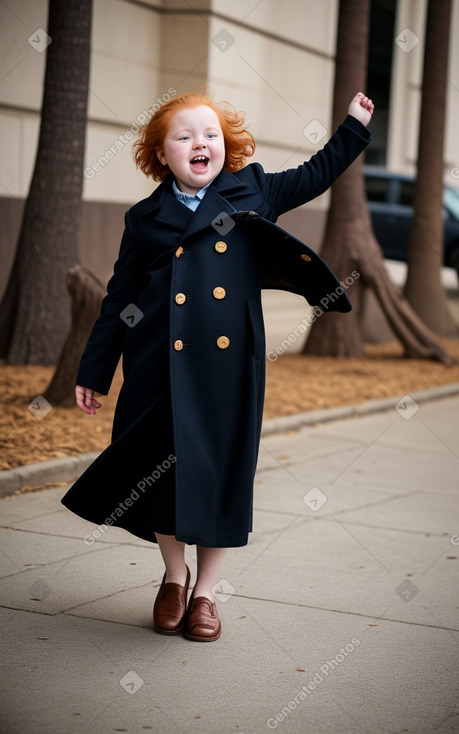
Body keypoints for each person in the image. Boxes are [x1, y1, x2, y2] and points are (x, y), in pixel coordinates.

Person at [62, 89, 374, 642]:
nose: (198, 143)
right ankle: (174, 578)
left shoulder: (252, 187)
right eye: (183, 136)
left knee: (221, 474)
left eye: (209, 134)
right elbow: (120, 299)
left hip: (227, 372)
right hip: (156, 365)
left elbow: (316, 173)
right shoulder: (145, 218)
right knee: (161, 475)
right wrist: (94, 370)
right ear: (162, 154)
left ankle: (205, 595)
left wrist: (353, 126)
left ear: (224, 146)